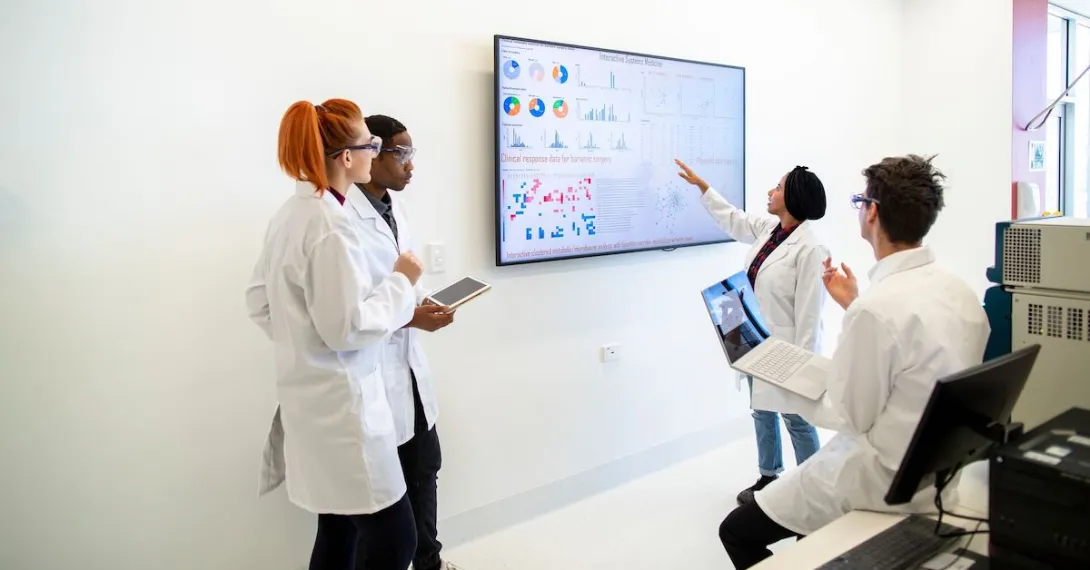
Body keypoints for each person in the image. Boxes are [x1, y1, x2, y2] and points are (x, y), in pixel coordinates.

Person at [717, 155, 992, 569]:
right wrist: (853, 303)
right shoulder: (959, 292)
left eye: (859, 200)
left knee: (735, 531)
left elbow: (849, 416)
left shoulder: (876, 310)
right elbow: (910, 362)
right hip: (935, 470)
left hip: (881, 476)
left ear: (872, 212)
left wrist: (776, 375)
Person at [246, 99, 423, 570]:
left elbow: (259, 302)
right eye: (372, 145)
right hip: (346, 413)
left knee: (338, 532)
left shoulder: (293, 213)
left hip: (311, 404)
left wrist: (302, 344)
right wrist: (402, 279)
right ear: (348, 157)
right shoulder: (331, 227)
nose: (376, 153)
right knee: (395, 542)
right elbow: (348, 328)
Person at [675, 159, 827, 505]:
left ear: (793, 196)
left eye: (777, 186)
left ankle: (815, 487)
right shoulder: (769, 230)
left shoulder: (810, 248)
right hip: (755, 342)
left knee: (797, 419)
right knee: (761, 410)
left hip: (788, 349)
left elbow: (810, 314)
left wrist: (805, 366)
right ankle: (769, 476)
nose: (770, 191)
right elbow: (734, 218)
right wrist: (703, 187)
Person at [349, 115, 463, 570]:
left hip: (408, 370)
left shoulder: (394, 209)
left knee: (424, 471)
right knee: (372, 509)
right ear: (371, 154)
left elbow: (404, 283)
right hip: (370, 378)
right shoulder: (342, 219)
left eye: (412, 154)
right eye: (401, 154)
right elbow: (349, 312)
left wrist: (424, 306)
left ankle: (430, 564)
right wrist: (410, 315)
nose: (409, 165)